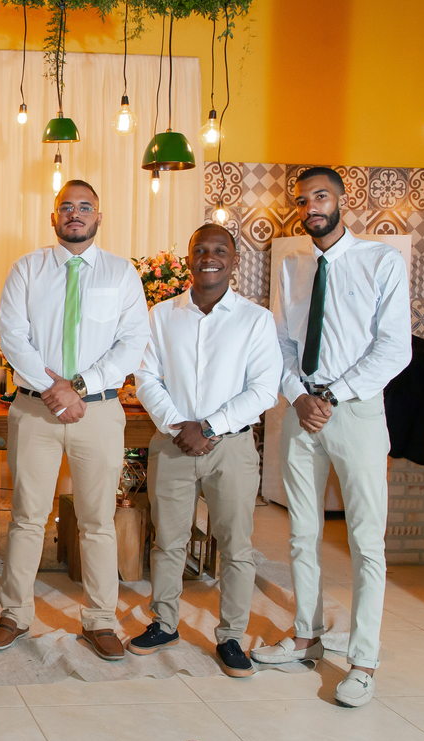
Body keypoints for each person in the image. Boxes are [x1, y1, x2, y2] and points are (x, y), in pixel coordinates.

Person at [252, 167, 411, 707]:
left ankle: (363, 661)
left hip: (356, 412)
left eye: (321, 196)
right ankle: (306, 635)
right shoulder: (294, 267)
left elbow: (395, 348)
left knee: (367, 541)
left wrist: (333, 397)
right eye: (303, 200)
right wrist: (298, 396)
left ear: (343, 201)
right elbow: (281, 345)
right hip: (302, 411)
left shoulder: (381, 262)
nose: (311, 206)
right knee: (301, 533)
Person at [0, 180, 150, 660]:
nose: (75, 214)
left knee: (98, 519)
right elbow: (12, 336)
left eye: (85, 207)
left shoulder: (121, 275)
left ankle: (100, 620)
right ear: (52, 217)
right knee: (26, 517)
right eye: (66, 207)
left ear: (99, 217)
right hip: (35, 409)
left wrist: (77, 387)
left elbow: (132, 341)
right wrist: (57, 391)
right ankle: (15, 614)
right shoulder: (28, 269)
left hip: (97, 412)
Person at [130, 223, 282, 677]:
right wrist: (179, 426)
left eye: (220, 250)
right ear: (190, 259)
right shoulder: (161, 315)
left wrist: (210, 426)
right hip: (173, 442)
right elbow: (145, 376)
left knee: (236, 545)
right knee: (168, 541)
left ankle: (232, 635)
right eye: (201, 249)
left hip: (231, 447)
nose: (209, 257)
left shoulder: (256, 320)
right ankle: (164, 622)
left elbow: (264, 389)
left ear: (234, 261)